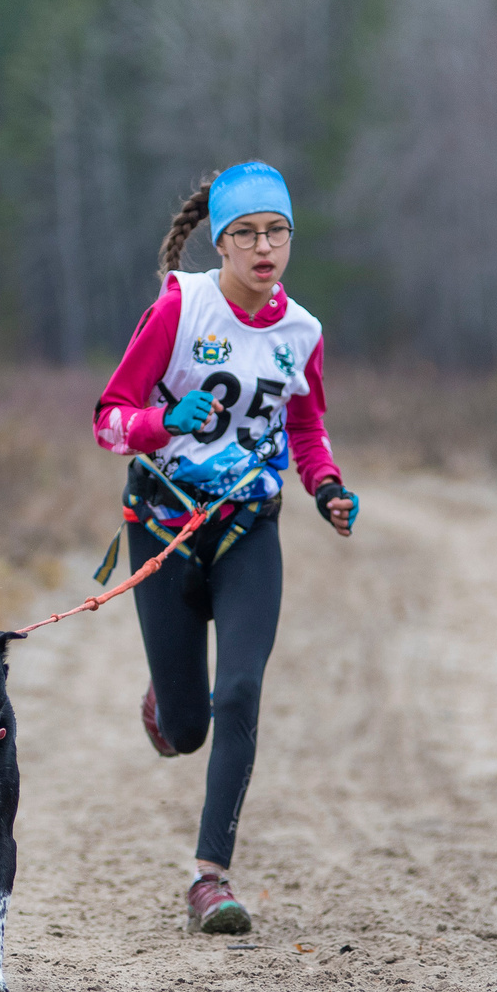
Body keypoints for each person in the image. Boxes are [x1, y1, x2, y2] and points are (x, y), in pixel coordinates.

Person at [92, 161, 355, 934]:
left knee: (239, 691)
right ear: (220, 240)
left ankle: (211, 877)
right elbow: (109, 417)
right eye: (246, 233)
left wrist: (327, 484)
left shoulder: (301, 330)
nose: (264, 247)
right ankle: (165, 706)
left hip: (249, 529)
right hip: (164, 527)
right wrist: (164, 423)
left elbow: (306, 426)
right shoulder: (183, 306)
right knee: (188, 727)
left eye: (277, 232)